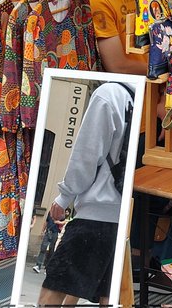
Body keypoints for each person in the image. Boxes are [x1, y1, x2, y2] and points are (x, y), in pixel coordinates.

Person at [39, 81, 135, 306]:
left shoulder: (109, 94)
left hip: (95, 217)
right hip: (125, 220)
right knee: (109, 297)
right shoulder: (142, 96)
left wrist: (64, 197)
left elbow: (86, 156)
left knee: (53, 291)